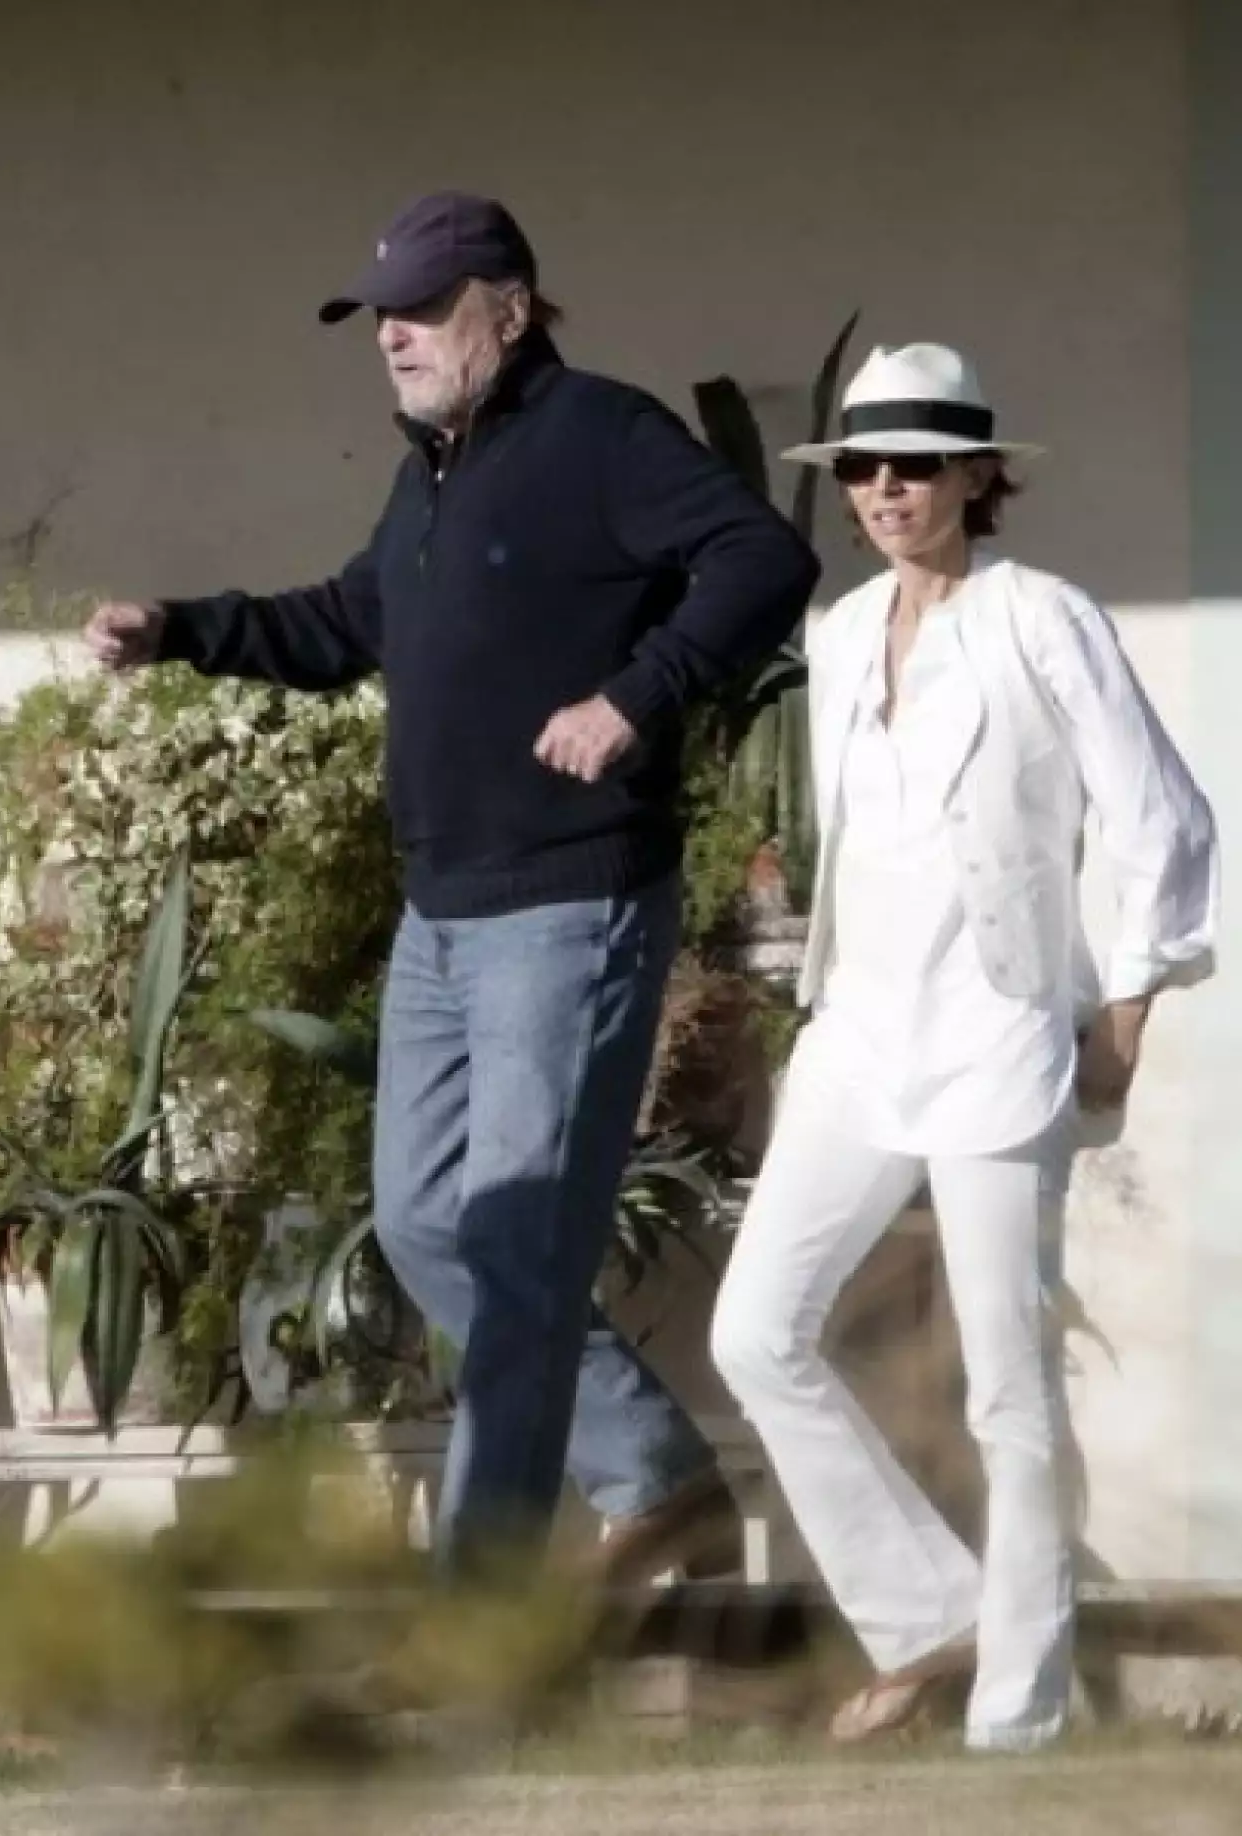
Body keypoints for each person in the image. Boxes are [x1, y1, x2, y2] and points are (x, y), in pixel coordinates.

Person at [84, 191, 820, 1578]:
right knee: (428, 1222)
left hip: (570, 906)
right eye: (380, 318)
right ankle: (661, 1480)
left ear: (512, 309)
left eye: (422, 311)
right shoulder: (433, 469)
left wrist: (635, 696)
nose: (394, 339)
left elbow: (766, 555)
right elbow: (352, 619)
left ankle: (479, 1609)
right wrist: (183, 629)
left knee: (521, 1245)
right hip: (445, 915)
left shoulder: (602, 436)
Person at [709, 342, 1218, 1750]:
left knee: (1009, 1382)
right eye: (865, 465)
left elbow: (1163, 817)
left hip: (1000, 1036)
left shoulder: (1041, 617)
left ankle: (1018, 1715)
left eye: (916, 464)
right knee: (756, 1331)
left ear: (979, 477)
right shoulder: (836, 631)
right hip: (860, 1036)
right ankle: (932, 1612)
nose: (885, 487)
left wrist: (1125, 1012)